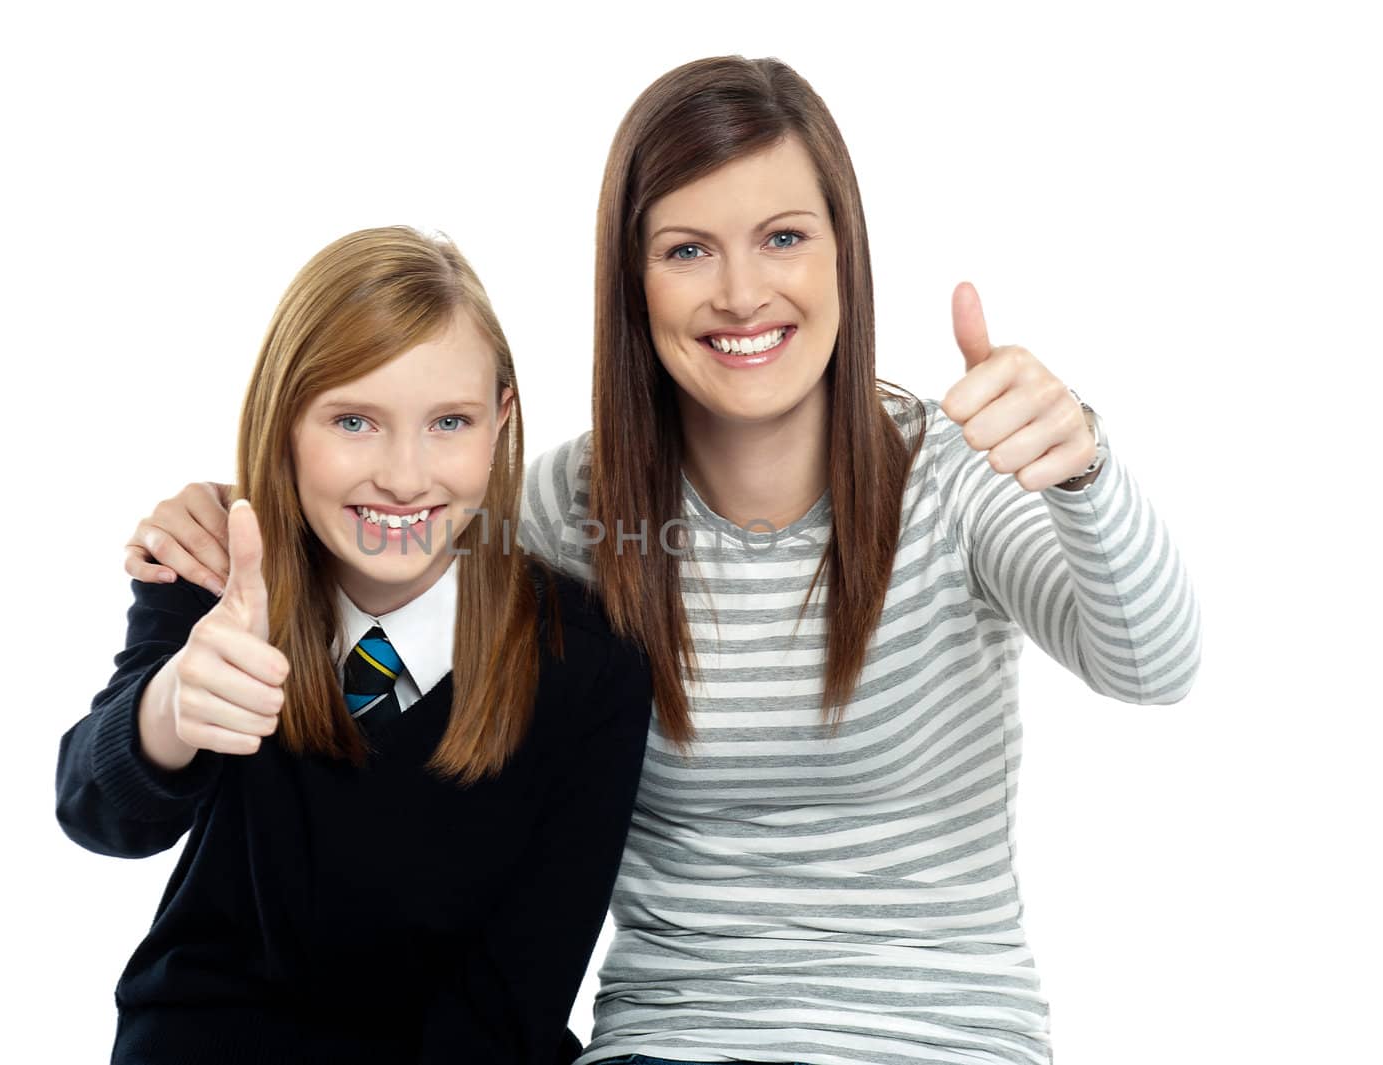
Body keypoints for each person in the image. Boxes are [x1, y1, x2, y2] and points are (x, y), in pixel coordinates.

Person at [122, 58, 1202, 1065]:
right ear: (632, 282)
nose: (740, 294)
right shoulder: (561, 509)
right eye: (687, 249)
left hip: (940, 1033)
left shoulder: (963, 475)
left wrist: (1084, 470)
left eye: (783, 238)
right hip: (671, 1039)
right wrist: (225, 516)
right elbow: (386, 625)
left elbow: (1153, 666)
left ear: (845, 255)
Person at [57, 226, 654, 1065]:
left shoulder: (587, 665)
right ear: (286, 421)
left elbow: (514, 996)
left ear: (501, 421)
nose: (406, 477)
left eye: (449, 421)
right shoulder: (216, 576)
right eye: (353, 420)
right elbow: (96, 810)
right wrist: (172, 708)